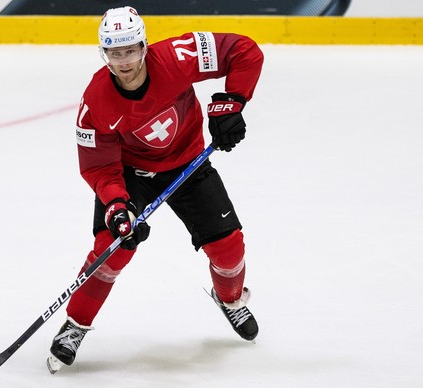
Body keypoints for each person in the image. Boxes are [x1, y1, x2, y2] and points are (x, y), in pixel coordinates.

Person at [47, 6, 264, 373]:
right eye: (115, 53)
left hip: (190, 164)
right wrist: (117, 205)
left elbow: (244, 51)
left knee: (228, 249)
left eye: (130, 49)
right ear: (104, 53)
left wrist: (234, 101)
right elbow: (99, 166)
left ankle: (229, 299)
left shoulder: (179, 56)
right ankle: (75, 325)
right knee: (111, 249)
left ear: (144, 46)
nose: (124, 61)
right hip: (132, 174)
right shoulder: (94, 103)